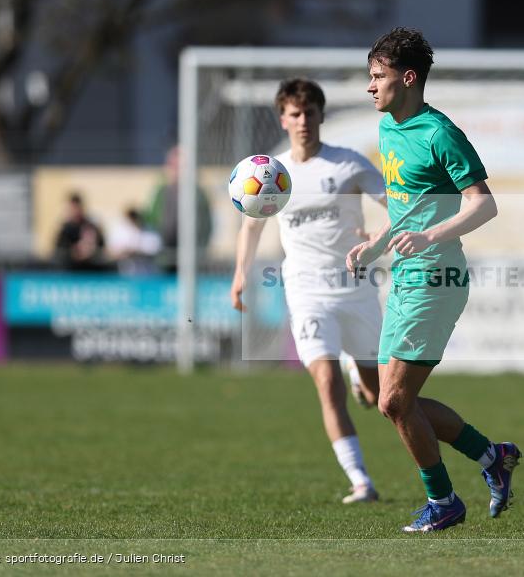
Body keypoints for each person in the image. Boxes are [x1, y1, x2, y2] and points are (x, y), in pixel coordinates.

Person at [346, 27, 521, 533]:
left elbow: (483, 204)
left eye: (377, 77)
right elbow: (411, 205)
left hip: (437, 278)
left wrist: (429, 238)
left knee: (394, 400)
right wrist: (378, 244)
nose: (370, 87)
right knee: (397, 402)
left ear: (407, 77)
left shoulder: (438, 132)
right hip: (403, 276)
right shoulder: (388, 129)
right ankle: (492, 457)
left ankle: (443, 501)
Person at [230, 78, 387, 503]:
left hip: (355, 289)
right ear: (283, 119)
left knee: (379, 397)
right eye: (295, 114)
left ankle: (362, 377)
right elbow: (251, 225)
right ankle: (360, 480)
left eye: (310, 113)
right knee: (324, 380)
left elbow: (395, 204)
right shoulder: (270, 174)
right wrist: (241, 273)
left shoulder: (348, 164)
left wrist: (378, 237)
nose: (303, 121)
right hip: (305, 292)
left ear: (320, 115)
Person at [144, 143, 213, 273]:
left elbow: (206, 227)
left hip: (191, 261)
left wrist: (198, 252)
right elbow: (151, 221)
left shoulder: (199, 194)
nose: (175, 170)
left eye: (180, 166)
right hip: (163, 261)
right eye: (172, 166)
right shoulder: (161, 192)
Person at [54, 193, 106, 271]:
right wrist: (75, 251)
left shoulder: (91, 226)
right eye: (72, 208)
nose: (74, 211)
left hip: (91, 269)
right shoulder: (65, 228)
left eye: (76, 207)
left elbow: (101, 247)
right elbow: (59, 250)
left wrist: (90, 249)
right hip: (70, 269)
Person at [107, 207, 162, 275]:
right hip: (126, 273)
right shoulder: (120, 231)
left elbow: (155, 250)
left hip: (148, 273)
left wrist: (135, 251)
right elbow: (111, 252)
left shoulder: (150, 232)